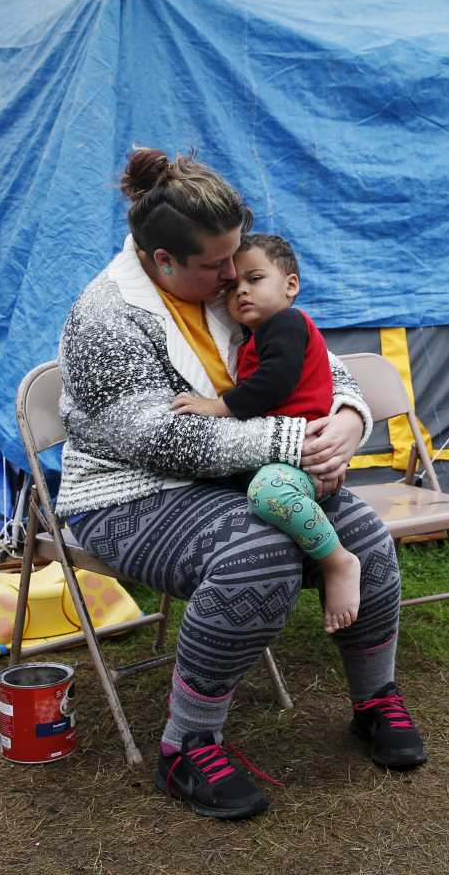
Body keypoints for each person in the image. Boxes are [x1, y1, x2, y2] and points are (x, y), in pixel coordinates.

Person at [58, 148, 426, 821]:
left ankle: (375, 699)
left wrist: (347, 418)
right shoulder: (104, 316)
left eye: (237, 260)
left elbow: (318, 362)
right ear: (163, 261)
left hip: (243, 472)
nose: (234, 275)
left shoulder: (231, 291)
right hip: (126, 490)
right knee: (258, 554)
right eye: (215, 265)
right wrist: (298, 442)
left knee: (365, 536)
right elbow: (159, 438)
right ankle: (186, 745)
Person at [170, 233, 362, 634]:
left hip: (301, 456)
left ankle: (338, 561)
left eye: (254, 279)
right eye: (232, 286)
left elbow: (274, 385)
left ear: (290, 285)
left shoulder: (287, 323)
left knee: (268, 493)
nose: (241, 291)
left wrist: (217, 406)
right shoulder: (256, 338)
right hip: (279, 455)